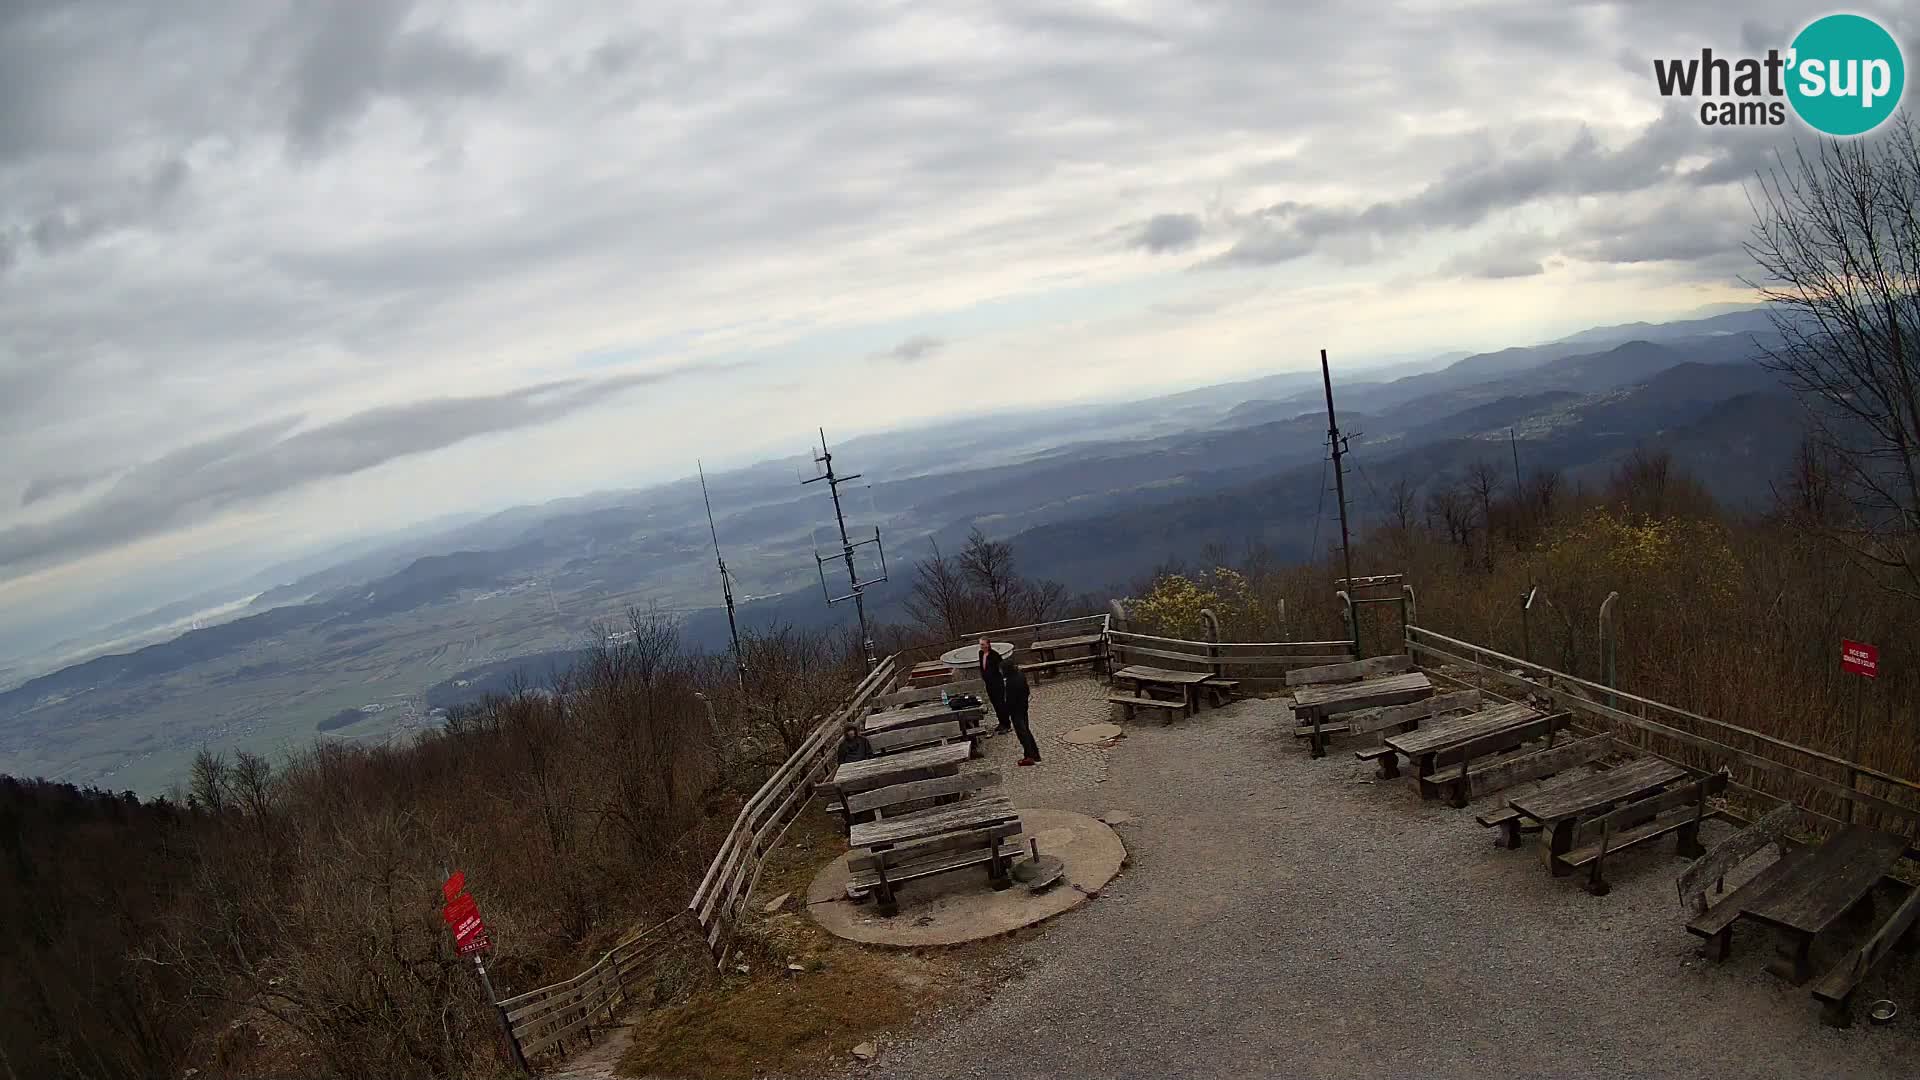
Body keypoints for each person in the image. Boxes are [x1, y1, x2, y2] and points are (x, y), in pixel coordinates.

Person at [1001, 653, 1039, 765]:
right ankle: (1034, 753)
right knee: (1026, 730)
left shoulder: (1011, 682)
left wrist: (1007, 711)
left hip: (1016, 710)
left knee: (1022, 733)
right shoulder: (1020, 675)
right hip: (1023, 707)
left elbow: (1010, 700)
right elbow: (1027, 691)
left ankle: (1029, 756)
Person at [979, 639, 1008, 731]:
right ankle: (1001, 722)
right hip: (988, 683)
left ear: (988, 644)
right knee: (994, 703)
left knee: (1000, 703)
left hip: (997, 682)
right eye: (980, 645)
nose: (982, 646)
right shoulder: (981, 653)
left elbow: (1001, 668)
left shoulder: (994, 655)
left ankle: (1006, 724)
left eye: (983, 644)